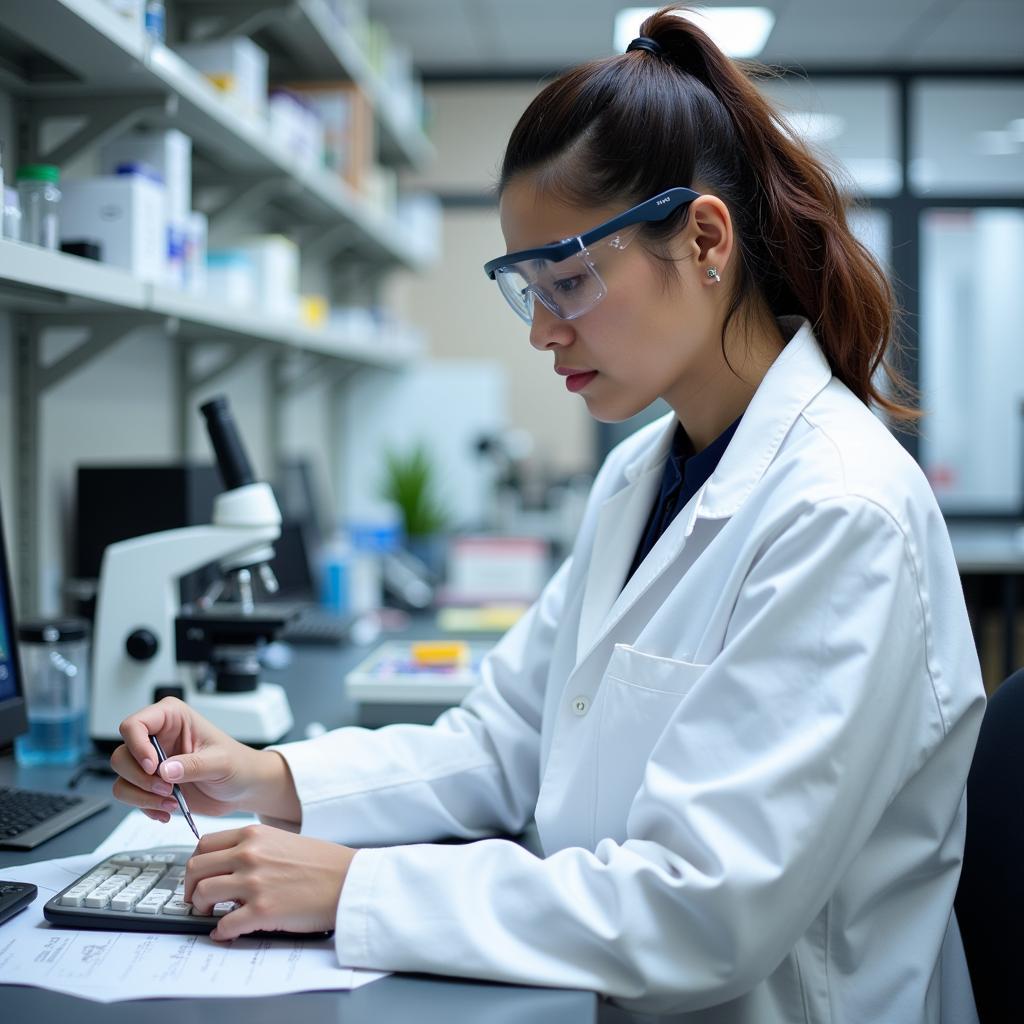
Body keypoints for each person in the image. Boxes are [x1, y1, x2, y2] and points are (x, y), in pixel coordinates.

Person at [110, 7, 986, 1021]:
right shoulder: (638, 480)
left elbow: (701, 912)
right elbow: (501, 745)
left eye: (566, 279)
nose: (542, 332)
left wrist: (355, 887)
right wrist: (261, 776)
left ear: (704, 238)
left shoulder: (840, 513)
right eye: (526, 289)